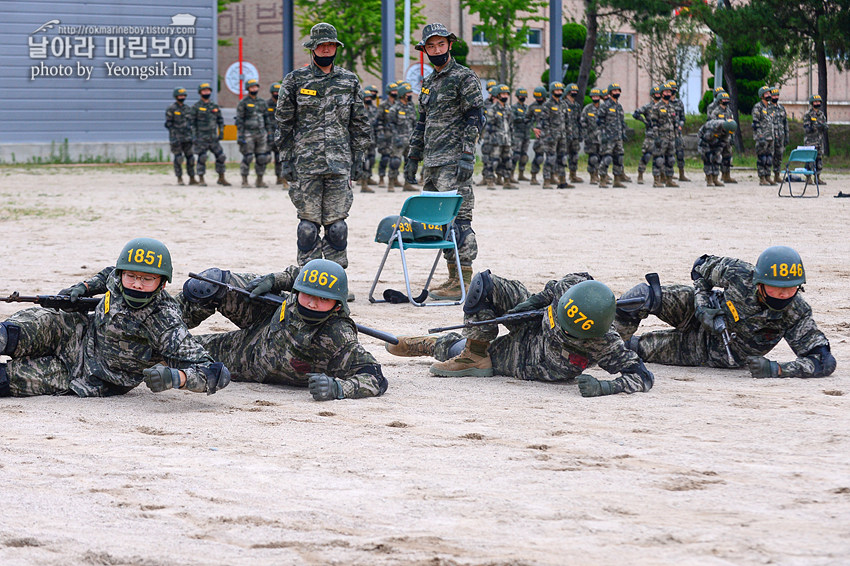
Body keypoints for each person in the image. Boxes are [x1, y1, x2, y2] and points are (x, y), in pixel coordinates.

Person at [0, 238, 230, 398]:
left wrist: (176, 377)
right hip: (75, 332)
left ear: (163, 283)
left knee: (7, 379)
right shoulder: (119, 278)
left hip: (86, 375)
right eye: (131, 276)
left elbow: (215, 373)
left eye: (147, 279)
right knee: (16, 331)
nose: (137, 284)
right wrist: (84, 287)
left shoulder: (166, 322)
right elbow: (108, 274)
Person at [385, 272, 654, 398]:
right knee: (484, 286)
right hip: (538, 319)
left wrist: (606, 387)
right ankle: (474, 353)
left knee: (465, 352)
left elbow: (641, 377)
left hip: (541, 358)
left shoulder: (605, 343)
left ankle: (437, 347)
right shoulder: (574, 287)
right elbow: (554, 288)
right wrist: (533, 303)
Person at [176, 259, 387, 401]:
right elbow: (299, 274)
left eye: (323, 299)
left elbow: (375, 377)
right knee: (210, 282)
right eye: (308, 295)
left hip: (255, 357)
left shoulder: (339, 336)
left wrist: (338, 389)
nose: (313, 303)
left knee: (179, 352)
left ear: (337, 305)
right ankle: (162, 322)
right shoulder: (303, 287)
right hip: (270, 319)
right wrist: (275, 280)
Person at [614, 246, 836, 379]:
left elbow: (823, 361)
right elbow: (700, 266)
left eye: (791, 288)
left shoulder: (796, 311)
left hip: (707, 352)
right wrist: (702, 304)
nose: (783, 294)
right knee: (641, 297)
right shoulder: (738, 273)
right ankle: (599, 342)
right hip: (699, 310)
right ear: (759, 282)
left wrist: (777, 369)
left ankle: (614, 347)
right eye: (776, 286)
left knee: (633, 348)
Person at [274, 22, 372, 275]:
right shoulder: (295, 80)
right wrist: (285, 158)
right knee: (307, 228)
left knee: (337, 228)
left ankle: (335, 278)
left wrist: (360, 156)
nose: (326, 50)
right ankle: (309, 278)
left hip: (340, 165)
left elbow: (359, 121)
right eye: (322, 45)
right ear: (313, 48)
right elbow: (283, 121)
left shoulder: (349, 80)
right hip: (305, 165)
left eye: (331, 45)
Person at [404, 22, 485, 301]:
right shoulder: (429, 83)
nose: (436, 50)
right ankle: (453, 279)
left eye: (441, 44)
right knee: (440, 224)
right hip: (432, 162)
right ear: (424, 50)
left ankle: (464, 278)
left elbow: (476, 115)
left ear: (450, 45)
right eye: (431, 46)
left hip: (454, 161)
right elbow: (421, 122)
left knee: (460, 220)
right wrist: (413, 158)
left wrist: (466, 153)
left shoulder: (464, 77)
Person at [190, 82, 230, 187]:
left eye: (208, 90)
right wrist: (194, 136)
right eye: (204, 91)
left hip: (213, 138)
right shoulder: (196, 107)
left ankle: (221, 178)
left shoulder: (214, 106)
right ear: (200, 93)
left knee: (221, 156)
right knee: (202, 157)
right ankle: (201, 178)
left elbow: (220, 120)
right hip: (201, 137)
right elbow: (192, 123)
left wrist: (221, 132)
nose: (206, 92)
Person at [236, 78, 271, 188]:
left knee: (261, 158)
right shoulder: (243, 103)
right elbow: (239, 120)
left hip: (261, 134)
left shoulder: (262, 102)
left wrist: (269, 133)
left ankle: (259, 180)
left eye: (255, 87)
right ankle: (244, 180)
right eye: (252, 87)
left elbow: (267, 119)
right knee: (248, 157)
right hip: (248, 133)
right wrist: (240, 135)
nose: (254, 89)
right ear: (248, 89)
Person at [387, 84, 419, 192]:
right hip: (398, 140)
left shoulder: (411, 107)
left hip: (410, 140)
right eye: (408, 94)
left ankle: (407, 184)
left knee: (409, 162)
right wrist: (395, 137)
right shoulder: (394, 108)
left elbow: (415, 123)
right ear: (402, 95)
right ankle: (391, 183)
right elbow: (391, 124)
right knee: (395, 162)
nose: (410, 95)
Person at [485, 84, 516, 190]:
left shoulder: (508, 108)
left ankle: (507, 181)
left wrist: (512, 138)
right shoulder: (492, 109)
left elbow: (511, 125)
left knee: (508, 161)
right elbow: (489, 126)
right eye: (502, 94)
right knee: (493, 161)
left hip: (507, 140)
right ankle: (490, 181)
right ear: (497, 95)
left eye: (506, 94)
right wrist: (491, 139)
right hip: (496, 140)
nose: (505, 96)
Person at [537, 81, 568, 189]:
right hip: (551, 137)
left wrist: (567, 133)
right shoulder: (547, 105)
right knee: (550, 159)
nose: (559, 92)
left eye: (560, 90)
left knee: (562, 158)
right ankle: (547, 181)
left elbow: (566, 120)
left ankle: (562, 181)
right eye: (557, 90)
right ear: (552, 91)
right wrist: (547, 135)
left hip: (562, 136)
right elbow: (543, 121)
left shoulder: (564, 104)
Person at [648, 83, 678, 188]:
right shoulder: (657, 107)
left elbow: (675, 123)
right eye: (666, 92)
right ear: (661, 93)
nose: (668, 93)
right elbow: (654, 123)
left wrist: (677, 136)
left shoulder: (672, 107)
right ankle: (657, 180)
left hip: (671, 138)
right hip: (661, 137)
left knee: (670, 159)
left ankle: (669, 180)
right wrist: (656, 137)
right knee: (658, 159)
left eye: (669, 92)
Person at [165, 86, 196, 186]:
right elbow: (168, 124)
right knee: (178, 158)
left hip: (187, 138)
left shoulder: (188, 109)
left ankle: (192, 178)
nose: (182, 97)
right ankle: (179, 178)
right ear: (176, 96)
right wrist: (174, 135)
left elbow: (192, 122)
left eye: (183, 95)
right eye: (180, 95)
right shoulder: (171, 109)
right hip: (176, 138)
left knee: (190, 158)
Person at [633, 85, 662, 185]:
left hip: (661, 134)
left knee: (660, 157)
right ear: (652, 95)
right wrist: (644, 121)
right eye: (656, 94)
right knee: (647, 155)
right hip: (650, 134)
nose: (658, 95)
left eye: (659, 93)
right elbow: (636, 114)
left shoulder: (664, 106)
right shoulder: (648, 107)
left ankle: (660, 177)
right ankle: (640, 174)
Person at [707, 92, 737, 184]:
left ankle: (726, 175)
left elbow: (732, 124)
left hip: (727, 138)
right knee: (716, 157)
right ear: (719, 100)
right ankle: (713, 177)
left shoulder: (729, 111)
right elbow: (712, 124)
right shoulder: (715, 111)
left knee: (727, 157)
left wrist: (732, 137)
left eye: (727, 99)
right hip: (718, 138)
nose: (726, 101)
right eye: (724, 99)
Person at [697, 119, 737, 186]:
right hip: (704, 141)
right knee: (708, 158)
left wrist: (717, 151)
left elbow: (724, 142)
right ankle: (709, 180)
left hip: (715, 141)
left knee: (717, 158)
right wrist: (711, 150)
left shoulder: (728, 131)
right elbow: (707, 138)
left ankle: (715, 179)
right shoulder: (714, 127)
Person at [751, 86, 776, 186]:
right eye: (766, 94)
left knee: (769, 158)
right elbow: (755, 123)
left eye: (769, 93)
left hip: (771, 137)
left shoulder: (770, 107)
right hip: (762, 137)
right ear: (762, 96)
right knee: (762, 158)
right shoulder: (758, 107)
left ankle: (768, 176)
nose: (769, 95)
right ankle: (762, 178)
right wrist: (760, 136)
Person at [375, 82, 399, 188]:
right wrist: (381, 134)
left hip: (396, 136)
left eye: (397, 91)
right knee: (385, 158)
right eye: (393, 91)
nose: (395, 93)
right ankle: (381, 178)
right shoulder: (383, 105)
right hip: (385, 135)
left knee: (396, 159)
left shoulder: (399, 104)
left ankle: (395, 178)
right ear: (389, 92)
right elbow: (379, 120)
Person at [667, 80, 690, 182]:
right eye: (670, 90)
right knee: (668, 154)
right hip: (667, 132)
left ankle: (682, 174)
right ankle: (668, 175)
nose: (672, 91)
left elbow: (682, 118)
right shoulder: (664, 103)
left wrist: (681, 125)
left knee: (680, 153)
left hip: (677, 132)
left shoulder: (679, 103)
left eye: (674, 89)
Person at [803, 94, 828, 185]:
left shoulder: (821, 114)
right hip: (810, 141)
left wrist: (823, 127)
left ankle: (817, 177)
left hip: (819, 141)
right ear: (812, 103)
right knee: (809, 160)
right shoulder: (808, 114)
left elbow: (825, 126)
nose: (817, 103)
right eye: (815, 102)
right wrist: (815, 127)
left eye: (818, 102)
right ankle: (808, 178)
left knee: (819, 160)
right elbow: (806, 128)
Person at [267, 82, 288, 187]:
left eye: (278, 92)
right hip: (268, 135)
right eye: (274, 92)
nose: (276, 93)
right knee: (263, 158)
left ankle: (282, 179)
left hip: (282, 135)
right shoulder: (266, 104)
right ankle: (259, 178)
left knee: (281, 158)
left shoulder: (285, 104)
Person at [478, 79, 498, 186]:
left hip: (498, 135)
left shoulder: (500, 105)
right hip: (486, 134)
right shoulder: (484, 104)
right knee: (486, 157)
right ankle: (485, 177)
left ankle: (497, 177)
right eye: (490, 92)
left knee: (496, 157)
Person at [527, 86, 548, 186]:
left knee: (553, 157)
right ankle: (533, 176)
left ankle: (552, 177)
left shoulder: (550, 104)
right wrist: (533, 128)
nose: (538, 99)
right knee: (539, 157)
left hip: (552, 134)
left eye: (540, 97)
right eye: (537, 97)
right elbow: (527, 119)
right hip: (540, 135)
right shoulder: (532, 106)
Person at [360, 86, 380, 192]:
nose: (368, 99)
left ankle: (368, 178)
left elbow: (377, 124)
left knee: (371, 160)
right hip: (361, 141)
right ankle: (363, 184)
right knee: (364, 162)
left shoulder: (374, 109)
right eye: (366, 97)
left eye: (369, 97)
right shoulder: (358, 110)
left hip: (372, 139)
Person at [564, 83, 584, 185]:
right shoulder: (563, 104)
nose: (574, 93)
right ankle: (558, 175)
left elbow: (579, 120)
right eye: (572, 91)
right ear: (567, 92)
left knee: (575, 155)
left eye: (576, 91)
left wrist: (580, 134)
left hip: (575, 135)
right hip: (565, 134)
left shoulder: (577, 106)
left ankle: (573, 175)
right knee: (562, 155)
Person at [509, 87, 531, 182]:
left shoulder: (527, 108)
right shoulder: (513, 108)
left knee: (524, 156)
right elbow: (513, 118)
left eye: (524, 96)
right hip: (517, 134)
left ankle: (521, 174)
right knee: (516, 155)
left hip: (526, 134)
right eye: (521, 96)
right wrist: (522, 119)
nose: (522, 97)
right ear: (518, 97)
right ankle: (511, 175)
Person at [769, 87, 789, 186]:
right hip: (770, 136)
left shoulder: (781, 108)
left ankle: (777, 175)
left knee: (779, 156)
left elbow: (785, 123)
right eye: (773, 95)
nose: (775, 97)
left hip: (780, 136)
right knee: (770, 156)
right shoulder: (766, 108)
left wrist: (787, 136)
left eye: (777, 95)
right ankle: (767, 176)